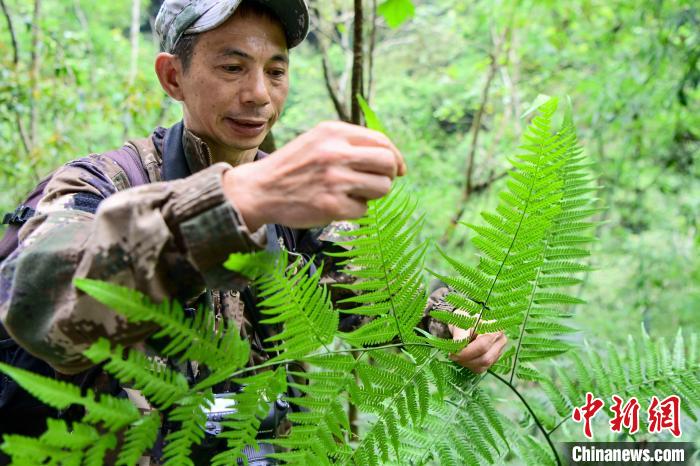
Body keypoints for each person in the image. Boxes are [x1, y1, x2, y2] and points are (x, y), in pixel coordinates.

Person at [0, 0, 507, 449]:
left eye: (276, 71)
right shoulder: (103, 182)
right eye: (232, 67)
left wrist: (451, 320)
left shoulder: (295, 210)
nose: (259, 94)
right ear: (173, 77)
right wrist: (240, 200)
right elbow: (43, 306)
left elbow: (383, 299)